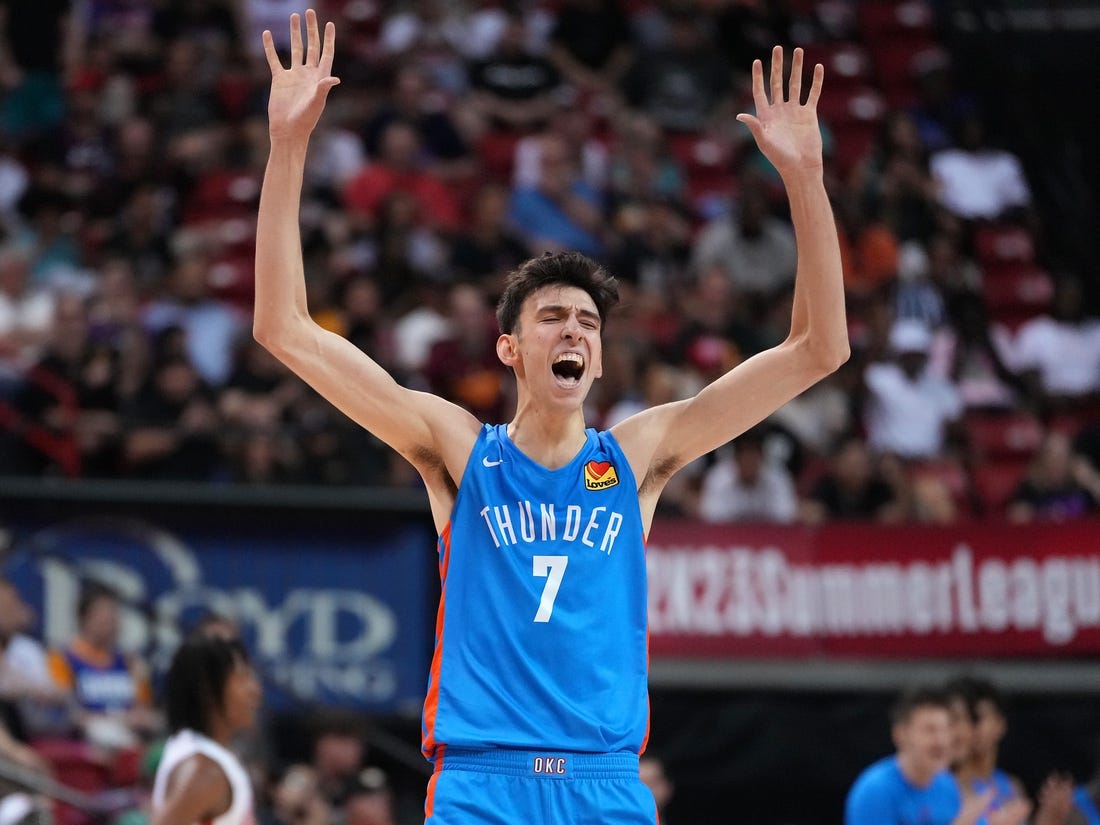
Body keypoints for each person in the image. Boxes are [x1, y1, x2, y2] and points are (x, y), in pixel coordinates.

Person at [255, 12, 847, 824]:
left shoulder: (638, 453)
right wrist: (288, 146)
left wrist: (806, 177)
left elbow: (820, 348)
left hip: (603, 783)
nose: (574, 330)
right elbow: (282, 328)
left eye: (589, 324)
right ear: (509, 348)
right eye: (553, 318)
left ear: (599, 359)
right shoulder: (460, 448)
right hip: (481, 783)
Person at [844, 686, 1024, 825]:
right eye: (930, 730)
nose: (941, 741)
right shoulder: (876, 789)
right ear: (900, 735)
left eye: (945, 730)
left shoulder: (946, 785)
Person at [150, 634, 261, 825]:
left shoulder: (212, 759)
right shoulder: (203, 771)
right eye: (242, 678)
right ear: (207, 690)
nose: (255, 690)